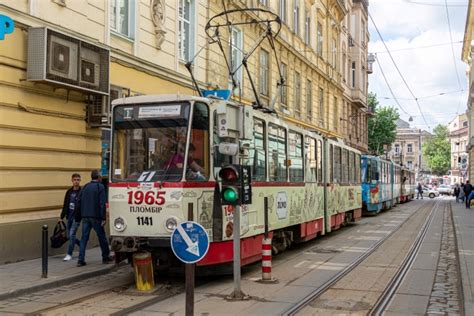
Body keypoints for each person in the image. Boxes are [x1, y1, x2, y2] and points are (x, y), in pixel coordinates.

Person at [76, 170, 113, 267]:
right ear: (99, 177)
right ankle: (105, 257)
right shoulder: (100, 187)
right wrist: (104, 217)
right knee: (102, 237)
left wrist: (80, 214)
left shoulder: (85, 186)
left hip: (85, 216)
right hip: (96, 216)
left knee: (84, 238)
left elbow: (78, 201)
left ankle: (80, 259)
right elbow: (102, 203)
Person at [60, 173, 82, 261]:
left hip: (77, 217)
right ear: (72, 181)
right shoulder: (69, 192)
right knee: (69, 236)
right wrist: (61, 216)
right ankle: (81, 244)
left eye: (78, 180)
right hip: (69, 216)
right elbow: (65, 204)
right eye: (74, 180)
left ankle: (69, 254)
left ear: (80, 181)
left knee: (72, 234)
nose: (76, 181)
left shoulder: (81, 192)